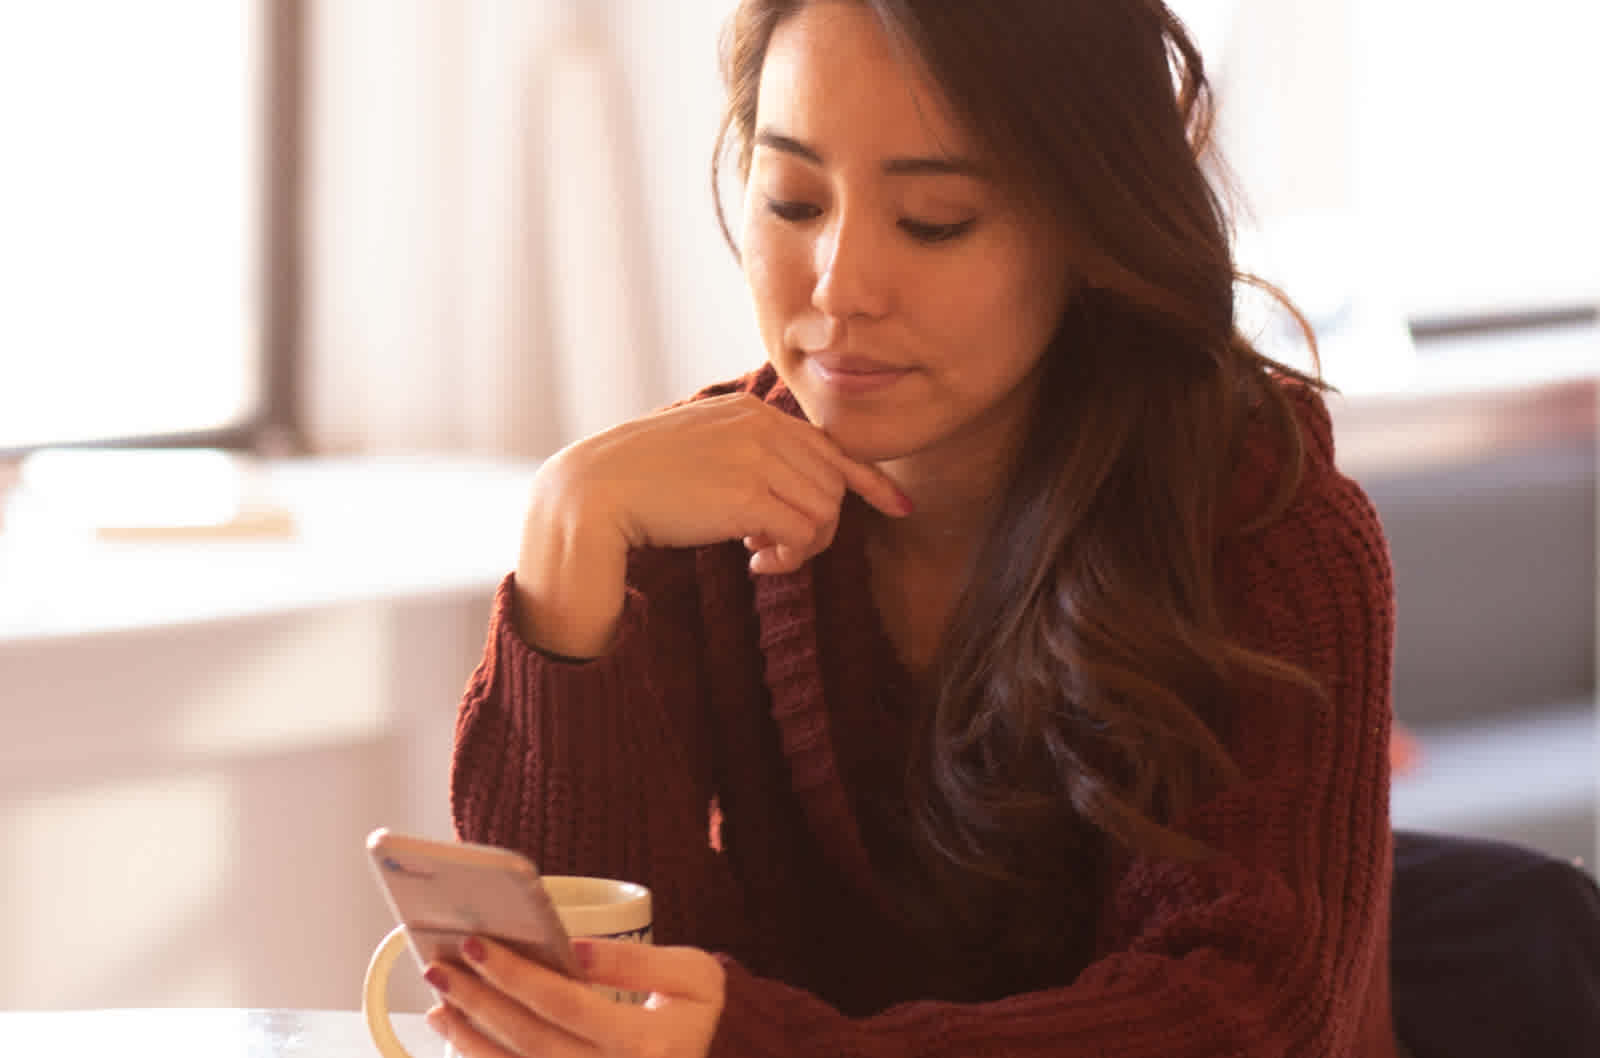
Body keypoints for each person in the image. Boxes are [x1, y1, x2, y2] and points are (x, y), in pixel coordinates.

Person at [424, 1, 1403, 1055]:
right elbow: (587, 985)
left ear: (1087, 227)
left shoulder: (1267, 531)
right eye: (793, 201)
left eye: (934, 219)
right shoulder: (682, 512)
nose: (839, 287)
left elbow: (1242, 1014)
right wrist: (568, 531)